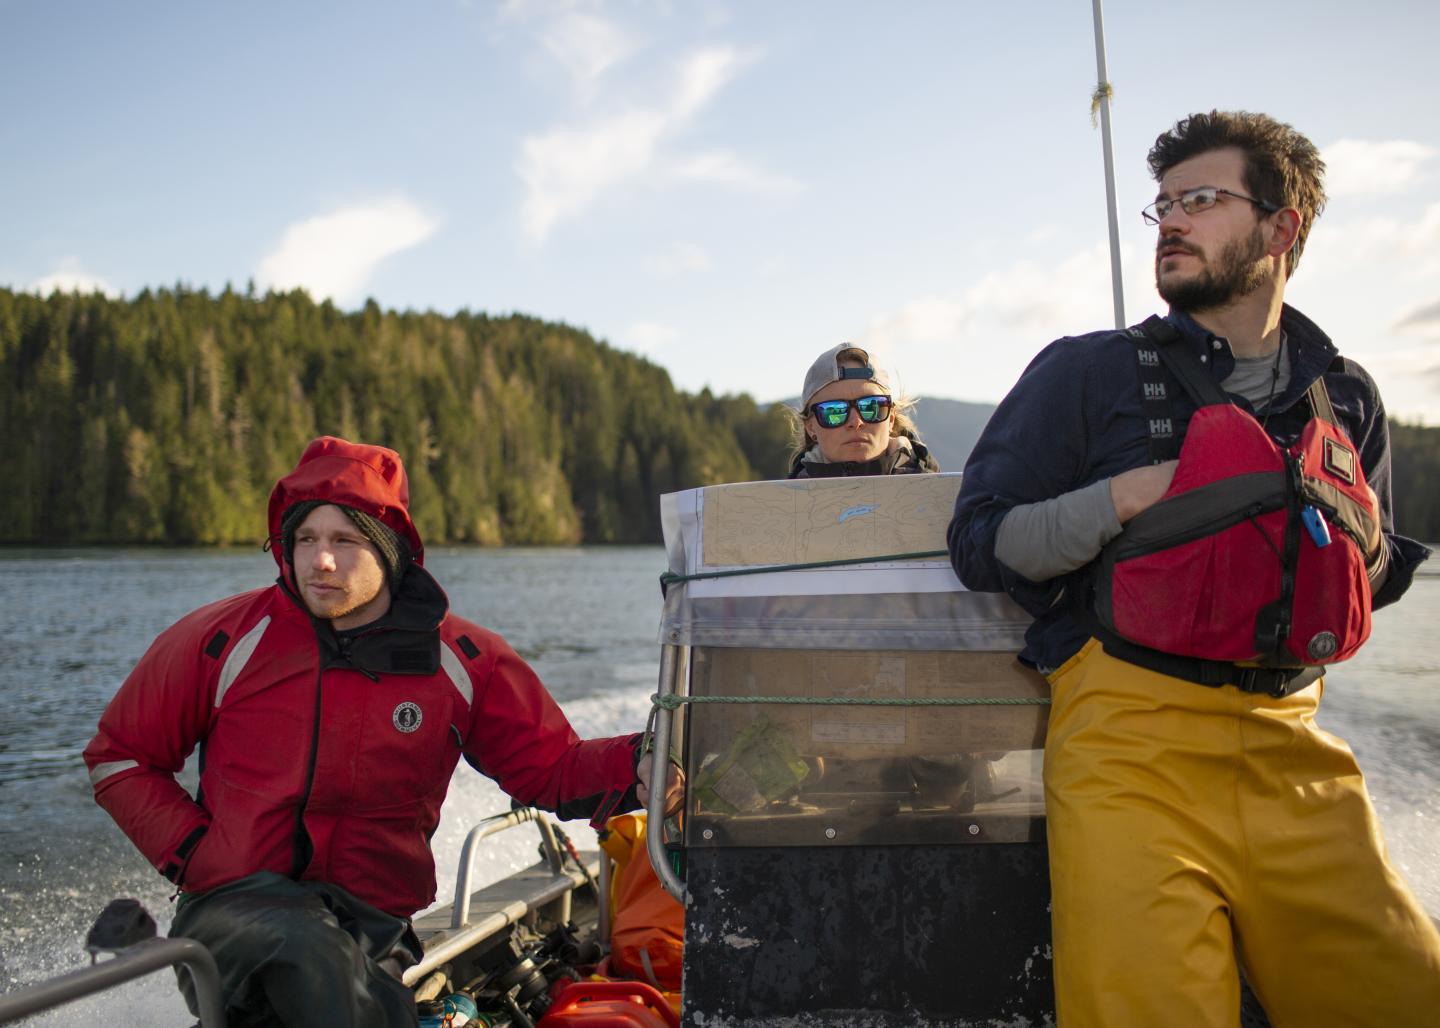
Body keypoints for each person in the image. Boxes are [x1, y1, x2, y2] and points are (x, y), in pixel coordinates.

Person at [949, 110, 1440, 1025]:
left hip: (1298, 748)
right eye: (1164, 204)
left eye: (1201, 199)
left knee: (1407, 993)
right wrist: (1122, 499)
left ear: (1281, 225)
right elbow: (980, 541)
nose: (1171, 220)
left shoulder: (1350, 397)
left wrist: (1346, 536)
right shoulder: (1085, 372)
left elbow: (1380, 576)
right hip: (1130, 754)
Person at [83, 435, 682, 1028]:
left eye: (344, 541)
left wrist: (640, 764)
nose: (320, 560)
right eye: (306, 540)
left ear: (390, 552)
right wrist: (196, 855)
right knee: (310, 953)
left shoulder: (464, 662)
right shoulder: (222, 639)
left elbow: (550, 767)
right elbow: (121, 757)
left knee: (344, 980)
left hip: (372, 927)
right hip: (232, 909)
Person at [788, 342, 939, 478]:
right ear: (810, 427)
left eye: (871, 407)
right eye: (834, 411)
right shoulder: (784, 504)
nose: (856, 422)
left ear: (891, 419)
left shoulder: (942, 496)